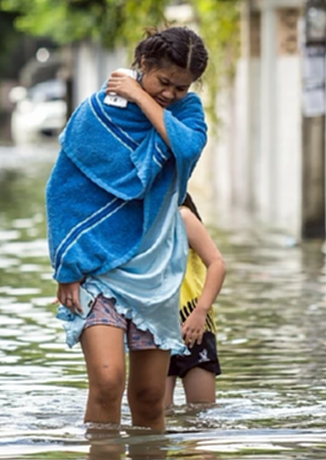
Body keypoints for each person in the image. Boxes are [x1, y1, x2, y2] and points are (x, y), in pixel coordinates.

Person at [46, 26, 210, 432]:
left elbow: (187, 147)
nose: (171, 93)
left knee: (150, 397)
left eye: (181, 87)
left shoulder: (187, 113)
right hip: (98, 265)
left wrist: (140, 95)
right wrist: (67, 265)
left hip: (156, 271)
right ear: (144, 64)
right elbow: (63, 192)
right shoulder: (98, 111)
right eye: (163, 81)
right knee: (107, 381)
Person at [164, 194, 226, 407]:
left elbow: (217, 264)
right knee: (157, 412)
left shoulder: (182, 217)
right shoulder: (141, 220)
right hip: (155, 324)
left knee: (202, 411)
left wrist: (200, 311)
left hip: (193, 320)